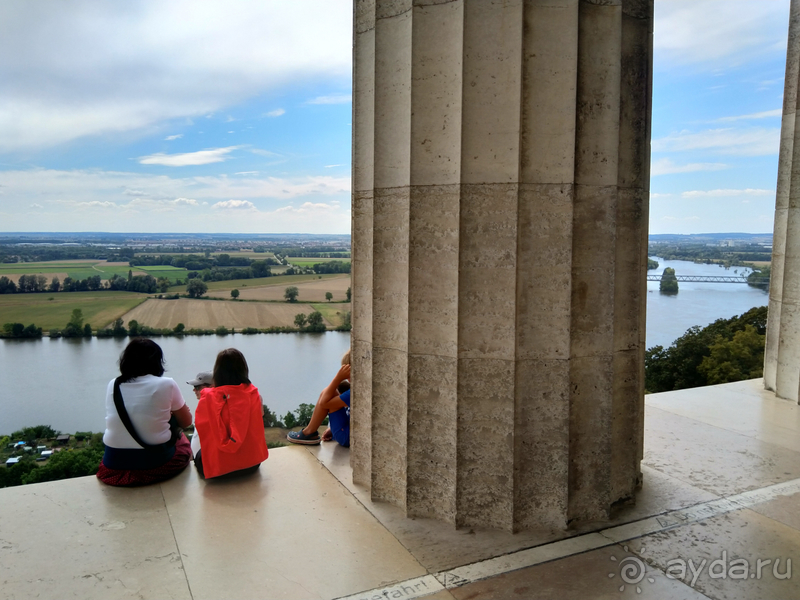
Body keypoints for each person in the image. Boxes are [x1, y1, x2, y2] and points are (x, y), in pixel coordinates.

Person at [97, 339, 193, 487]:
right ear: (157, 361)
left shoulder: (113, 384)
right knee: (181, 440)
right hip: (155, 464)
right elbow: (186, 422)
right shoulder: (167, 384)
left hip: (114, 465)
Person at [192, 348, 268, 479]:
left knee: (196, 448)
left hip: (217, 470)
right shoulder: (253, 394)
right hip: (252, 465)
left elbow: (202, 428)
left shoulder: (208, 398)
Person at [287, 349, 350, 447]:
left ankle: (309, 432)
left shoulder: (353, 393)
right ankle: (310, 432)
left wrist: (338, 378)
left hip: (345, 437)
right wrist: (332, 429)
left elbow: (324, 403)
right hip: (347, 433)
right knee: (328, 392)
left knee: (328, 392)